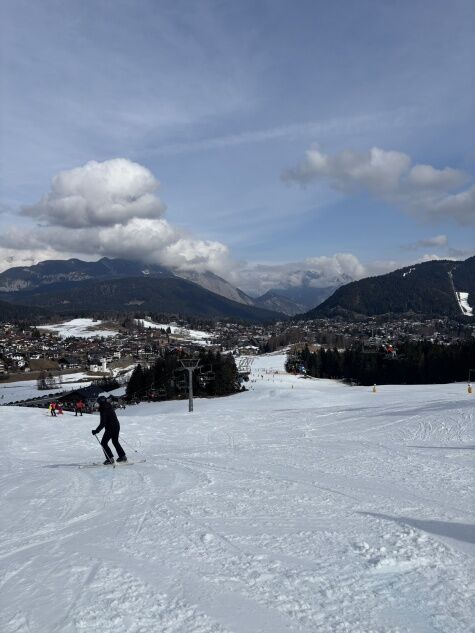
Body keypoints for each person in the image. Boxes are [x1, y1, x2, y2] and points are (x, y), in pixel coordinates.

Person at [91, 396, 127, 465]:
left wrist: (96, 431)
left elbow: (103, 423)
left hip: (110, 428)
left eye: (98, 403)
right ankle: (123, 457)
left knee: (104, 443)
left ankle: (110, 459)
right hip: (117, 426)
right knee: (115, 441)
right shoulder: (109, 405)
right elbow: (110, 399)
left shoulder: (103, 409)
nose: (97, 405)